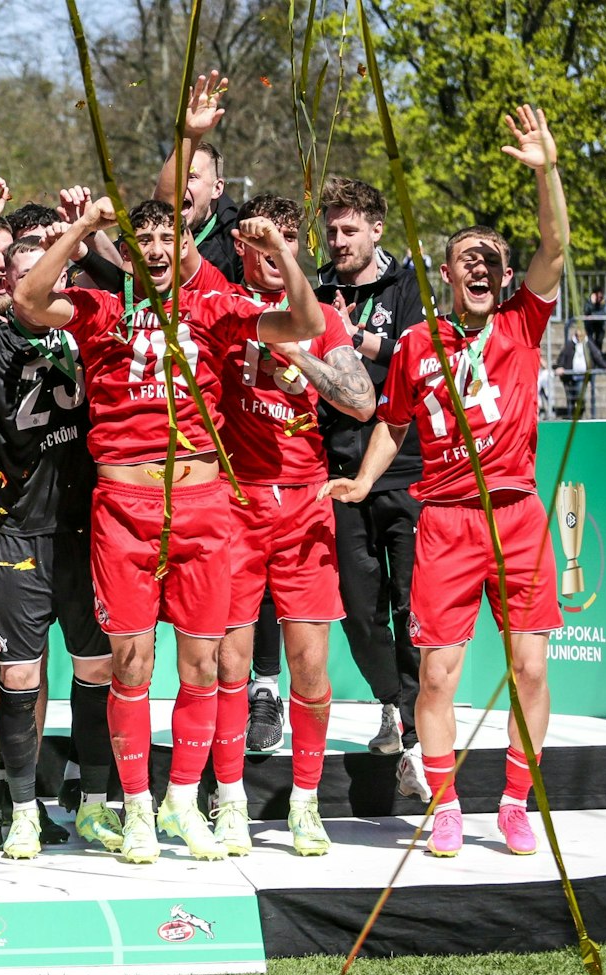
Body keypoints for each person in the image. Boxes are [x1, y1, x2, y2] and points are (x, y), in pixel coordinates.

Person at [15, 191, 325, 864]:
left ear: (185, 246)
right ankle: (135, 811)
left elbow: (305, 318)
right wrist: (81, 230)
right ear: (124, 253)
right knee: (131, 664)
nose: (156, 251)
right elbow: (31, 300)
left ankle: (184, 798)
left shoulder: (213, 308)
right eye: (141, 241)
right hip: (124, 511)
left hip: (202, 504)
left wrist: (274, 249)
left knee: (202, 664)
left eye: (168, 239)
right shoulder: (100, 310)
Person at [327, 103, 570, 859]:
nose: (481, 266)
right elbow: (392, 423)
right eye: (467, 256)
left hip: (518, 516)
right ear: (444, 272)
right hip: (448, 521)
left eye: (493, 258)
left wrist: (547, 171)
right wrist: (366, 482)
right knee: (436, 678)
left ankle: (515, 801)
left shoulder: (522, 322)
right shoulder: (416, 344)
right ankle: (444, 802)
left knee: (530, 667)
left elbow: (555, 247)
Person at [209, 193, 376, 857]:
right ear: (243, 251)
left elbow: (361, 403)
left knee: (310, 664)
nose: (275, 253)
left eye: (286, 239)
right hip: (235, 499)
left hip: (305, 501)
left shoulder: (323, 316)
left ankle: (305, 803)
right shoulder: (224, 304)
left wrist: (301, 363)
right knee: (230, 661)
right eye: (261, 241)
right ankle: (227, 800)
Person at [0, 233, 108, 859]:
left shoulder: (85, 322)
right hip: (17, 525)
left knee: (99, 668)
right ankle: (22, 809)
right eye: (13, 274)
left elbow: (129, 279)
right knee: (18, 675)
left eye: (36, 275)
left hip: (88, 527)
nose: (23, 286)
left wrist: (87, 237)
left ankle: (98, 807)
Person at [315, 176, 428, 766]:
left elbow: (414, 354)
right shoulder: (314, 290)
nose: (338, 239)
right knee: (360, 613)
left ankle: (411, 725)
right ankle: (393, 703)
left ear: (376, 228)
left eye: (349, 229)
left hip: (407, 468)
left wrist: (352, 337)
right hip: (339, 473)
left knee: (410, 607)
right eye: (331, 229)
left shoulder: (409, 286)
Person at [155, 71, 243, 281]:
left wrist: (191, 135)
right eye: (180, 175)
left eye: (191, 177)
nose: (182, 184)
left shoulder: (238, 239)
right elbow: (163, 210)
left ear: (217, 188)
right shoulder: (147, 231)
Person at [556, 321, 606, 418]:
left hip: (582, 377)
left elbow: (597, 356)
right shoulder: (570, 344)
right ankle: (571, 417)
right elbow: (563, 357)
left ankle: (579, 415)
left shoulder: (588, 344)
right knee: (570, 398)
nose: (579, 338)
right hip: (570, 377)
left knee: (579, 396)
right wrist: (560, 367)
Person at [583, 284, 606, 351]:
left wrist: (593, 314)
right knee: (590, 341)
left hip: (601, 324)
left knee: (599, 341)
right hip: (591, 324)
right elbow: (586, 311)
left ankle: (598, 355)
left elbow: (604, 312)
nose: (599, 298)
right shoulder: (590, 300)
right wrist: (592, 303)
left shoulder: (605, 300)